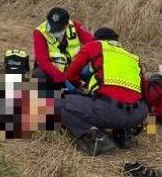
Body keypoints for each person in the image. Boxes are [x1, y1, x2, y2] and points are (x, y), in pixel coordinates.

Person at [59, 27, 148, 155]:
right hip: (138, 113)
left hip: (109, 110)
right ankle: (124, 133)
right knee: (115, 100)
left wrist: (79, 88)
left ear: (97, 39)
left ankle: (97, 139)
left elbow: (70, 76)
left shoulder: (94, 46)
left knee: (59, 103)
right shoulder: (132, 57)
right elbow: (145, 92)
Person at [32, 7, 94, 87]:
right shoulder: (40, 32)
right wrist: (62, 78)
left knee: (91, 67)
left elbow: (93, 44)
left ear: (66, 25)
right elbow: (43, 61)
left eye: (58, 28)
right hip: (54, 71)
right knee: (39, 74)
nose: (53, 30)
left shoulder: (75, 27)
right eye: (52, 26)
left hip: (74, 69)